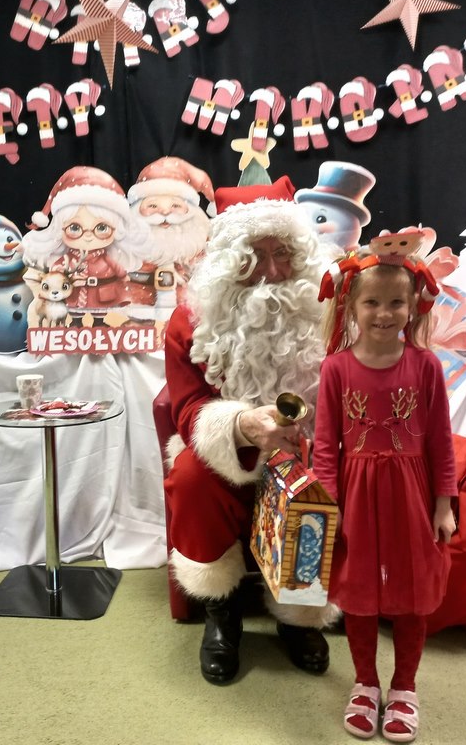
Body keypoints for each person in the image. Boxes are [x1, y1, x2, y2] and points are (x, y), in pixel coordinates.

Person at [163, 177, 343, 685]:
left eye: (282, 253)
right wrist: (242, 425)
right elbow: (188, 408)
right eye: (254, 256)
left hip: (310, 447)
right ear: (228, 261)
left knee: (331, 482)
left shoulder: (330, 310)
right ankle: (222, 612)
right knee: (191, 479)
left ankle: (299, 615)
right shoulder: (189, 321)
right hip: (231, 451)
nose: (272, 271)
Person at [311, 230, 456, 743]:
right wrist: (327, 506)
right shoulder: (335, 368)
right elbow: (325, 446)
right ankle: (366, 684)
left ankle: (405, 687)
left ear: (413, 306)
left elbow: (441, 440)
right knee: (360, 594)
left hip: (412, 496)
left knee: (411, 594)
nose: (384, 313)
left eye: (396, 302)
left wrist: (444, 504)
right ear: (351, 305)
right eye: (372, 302)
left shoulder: (426, 366)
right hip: (354, 496)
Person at [23, 166, 150, 326]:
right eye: (75, 228)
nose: (88, 235)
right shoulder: (68, 258)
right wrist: (58, 272)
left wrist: (122, 275)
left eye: (101, 228)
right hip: (75, 293)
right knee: (75, 311)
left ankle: (99, 322)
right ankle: (76, 322)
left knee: (100, 312)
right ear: (60, 229)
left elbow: (117, 268)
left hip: (101, 293)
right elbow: (58, 268)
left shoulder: (106, 258)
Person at [124, 157, 214, 322]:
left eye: (175, 206)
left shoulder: (201, 240)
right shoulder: (127, 245)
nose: (165, 212)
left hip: (190, 314)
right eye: (153, 206)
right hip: (136, 313)